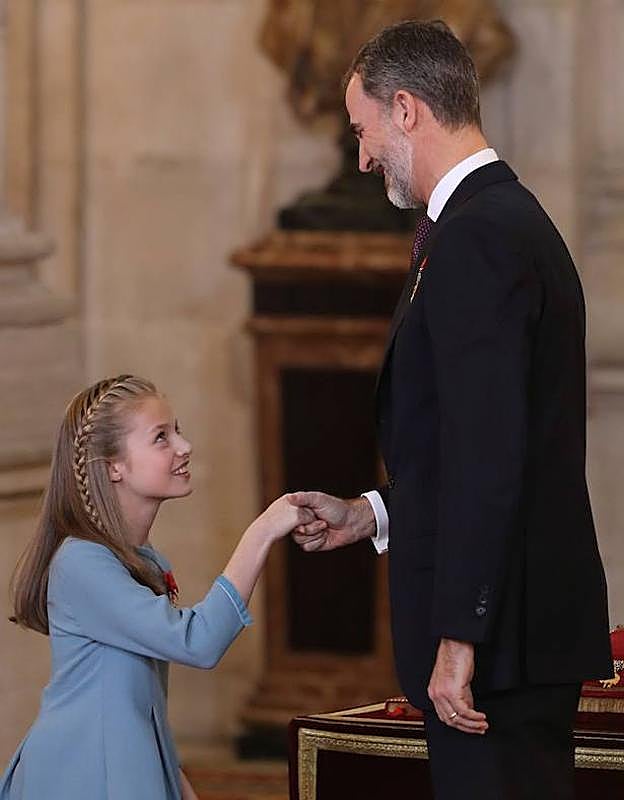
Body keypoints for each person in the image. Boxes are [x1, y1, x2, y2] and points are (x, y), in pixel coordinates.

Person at [291, 20, 612, 800]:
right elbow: (482, 442)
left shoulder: (479, 236)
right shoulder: (491, 223)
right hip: (515, 636)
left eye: (363, 129)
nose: (362, 156)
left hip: (499, 648)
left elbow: (491, 454)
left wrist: (460, 636)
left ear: (407, 110)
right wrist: (373, 513)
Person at [0, 375, 320, 800]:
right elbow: (197, 641)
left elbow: (142, 700)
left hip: (125, 768)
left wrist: (176, 782)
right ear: (113, 465)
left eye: (178, 431)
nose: (184, 447)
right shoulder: (82, 563)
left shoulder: (142, 558)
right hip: (80, 774)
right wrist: (261, 532)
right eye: (160, 437)